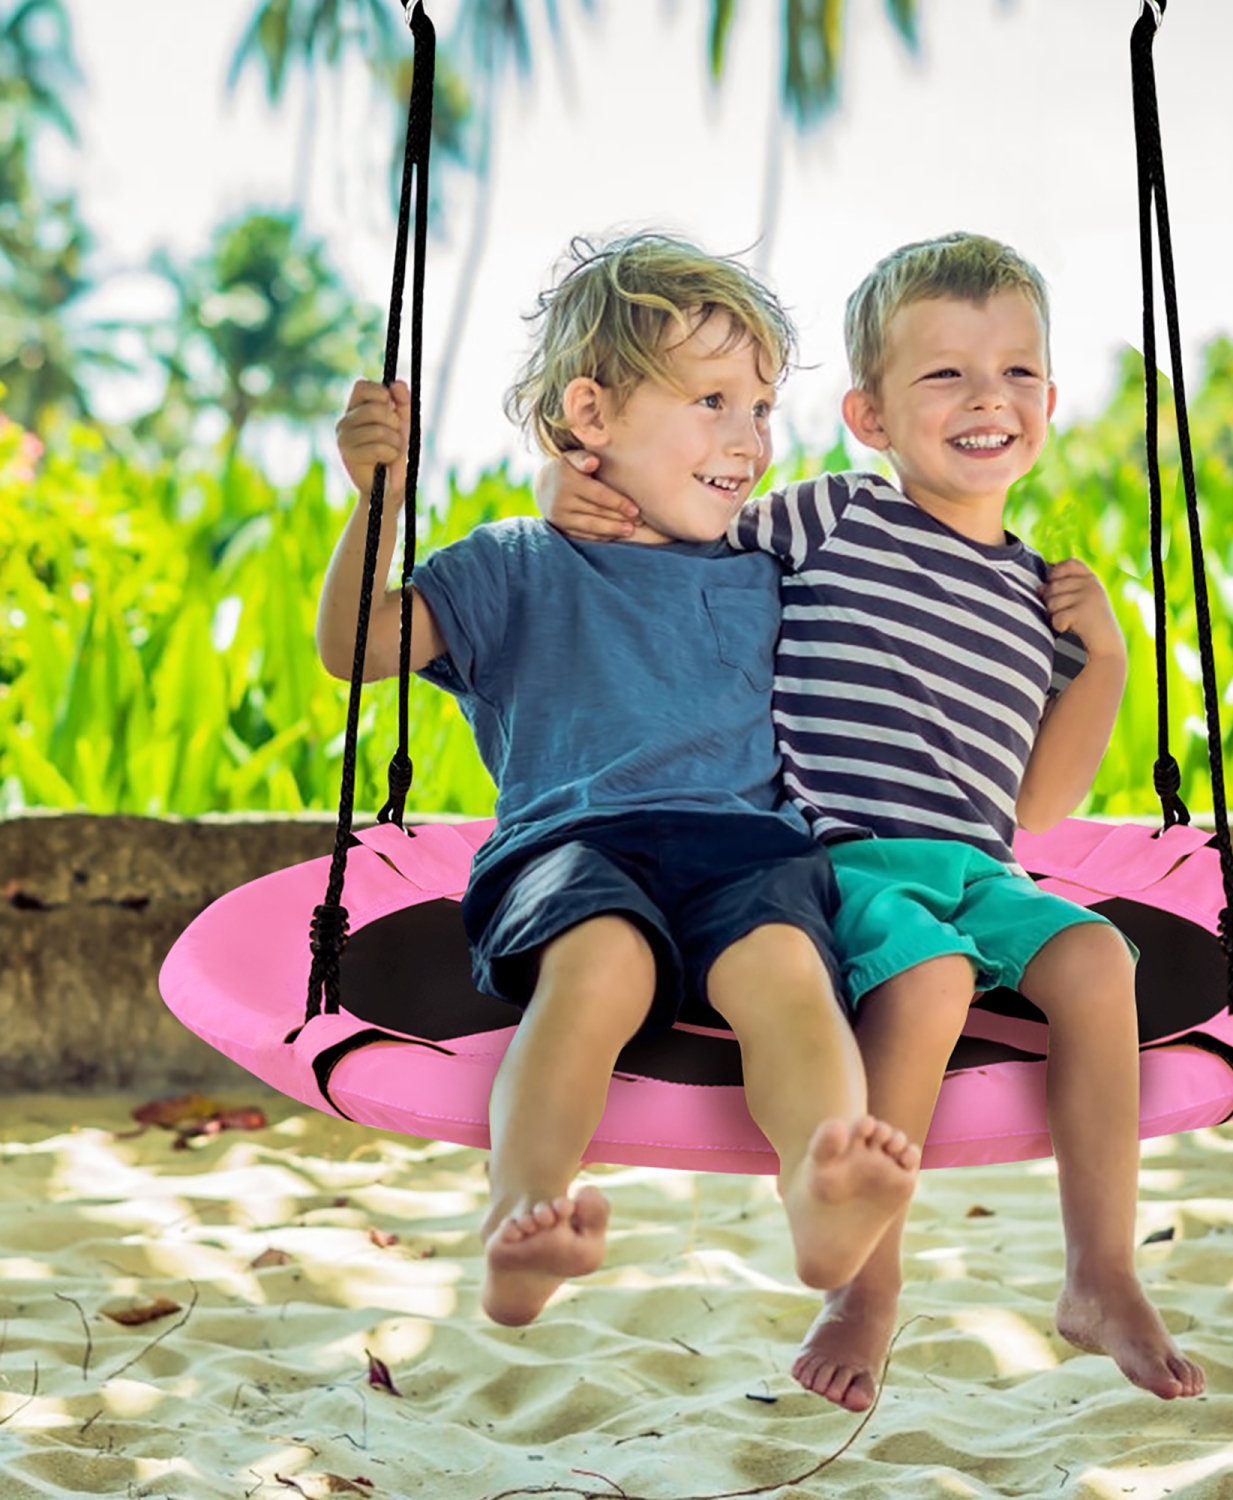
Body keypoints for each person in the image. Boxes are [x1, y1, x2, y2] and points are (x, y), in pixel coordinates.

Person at [538, 232, 1208, 1405]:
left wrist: (1103, 657)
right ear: (870, 415)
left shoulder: (1037, 595)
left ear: (1050, 401)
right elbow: (676, 530)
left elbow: (1041, 805)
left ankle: (1101, 1273)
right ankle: (867, 1287)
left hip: (978, 866)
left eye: (1017, 371)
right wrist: (565, 488)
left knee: (1099, 960)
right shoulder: (837, 516)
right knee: (932, 978)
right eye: (945, 374)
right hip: (840, 858)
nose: (988, 397)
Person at [316, 232, 920, 1330]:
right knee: (598, 966)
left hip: (746, 851)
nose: (748, 439)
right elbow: (359, 649)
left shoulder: (769, 563)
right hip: (574, 848)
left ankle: (821, 1190)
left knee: (789, 971)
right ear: (591, 415)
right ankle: (523, 1216)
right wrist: (380, 504)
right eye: (712, 400)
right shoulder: (516, 561)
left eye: (761, 407)